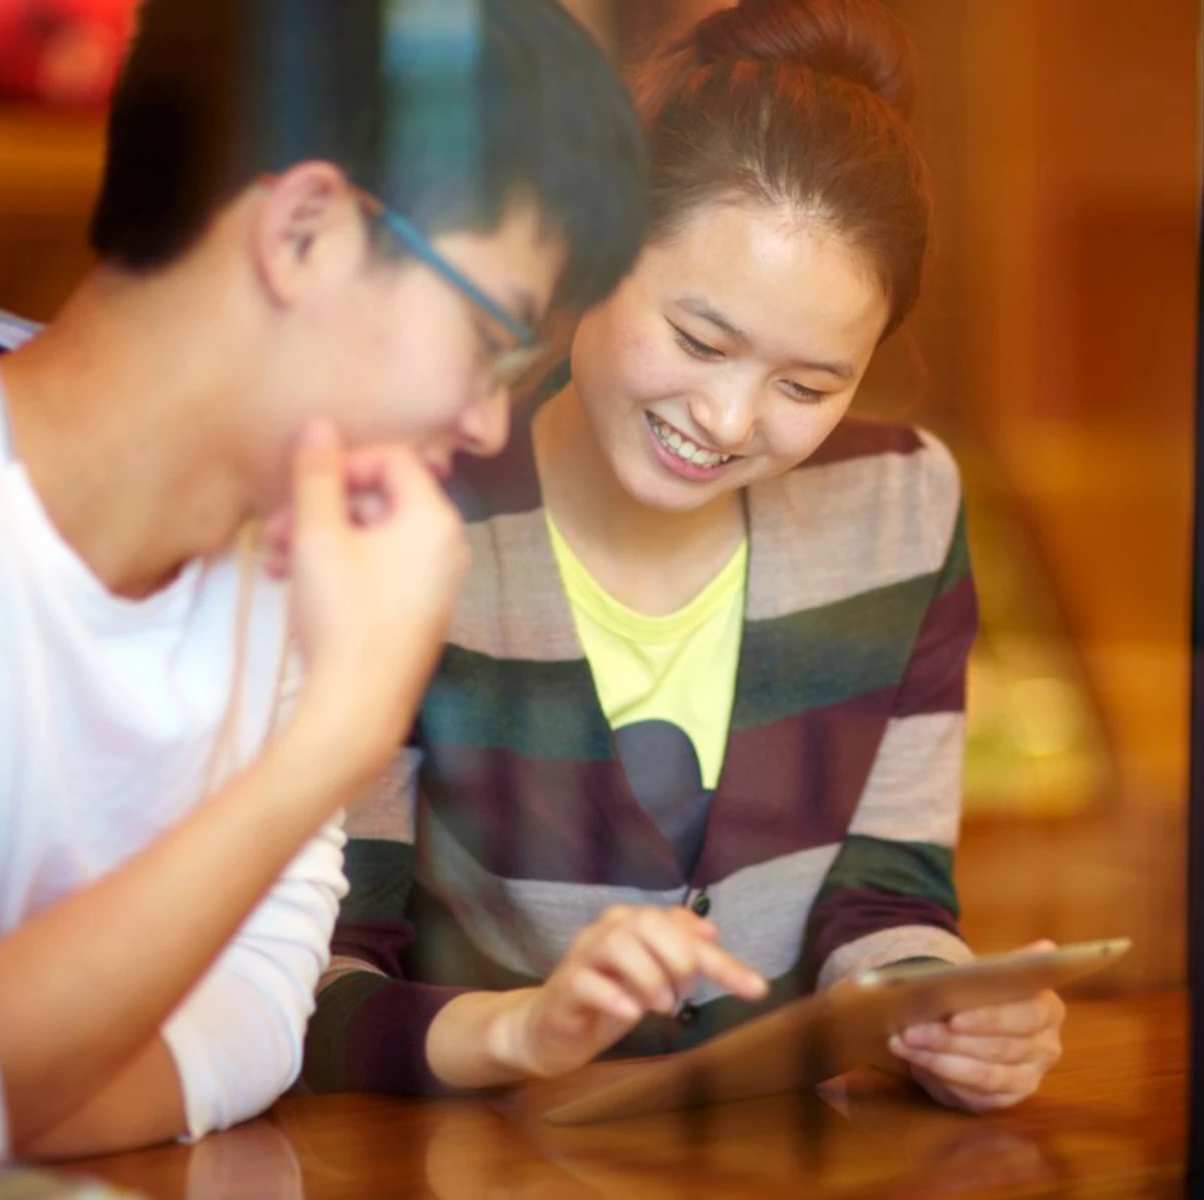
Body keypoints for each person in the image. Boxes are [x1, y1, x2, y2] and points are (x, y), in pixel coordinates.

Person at [0, 0, 645, 1160]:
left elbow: (270, 1010)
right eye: (491, 341)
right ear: (307, 229)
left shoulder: (296, 568)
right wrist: (343, 730)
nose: (481, 423)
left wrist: (3, 1105)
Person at [306, 0, 1066, 1114]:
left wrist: (945, 1011)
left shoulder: (897, 509)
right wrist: (522, 1032)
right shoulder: (411, 515)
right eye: (700, 341)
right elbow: (317, 981)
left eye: (807, 387)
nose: (727, 417)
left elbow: (884, 899)